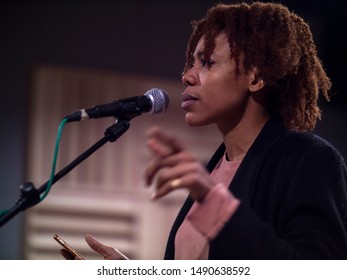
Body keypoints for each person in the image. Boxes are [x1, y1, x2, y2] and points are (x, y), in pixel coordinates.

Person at [60, 1, 347, 260]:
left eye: (208, 62)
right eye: (192, 62)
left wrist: (213, 203)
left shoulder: (309, 160)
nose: (187, 75)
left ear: (256, 77)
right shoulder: (214, 168)